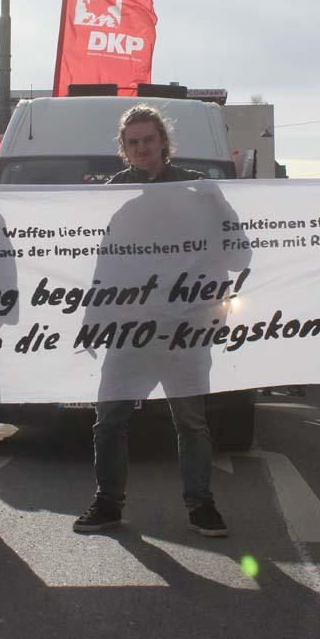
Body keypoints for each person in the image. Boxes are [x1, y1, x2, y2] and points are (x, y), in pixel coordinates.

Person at [72, 105, 238, 538]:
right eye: (133, 142)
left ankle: (201, 506)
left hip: (186, 328)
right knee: (108, 420)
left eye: (149, 139)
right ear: (124, 149)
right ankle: (108, 503)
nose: (142, 148)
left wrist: (220, 207)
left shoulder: (197, 191)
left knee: (192, 422)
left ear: (163, 141)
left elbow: (239, 256)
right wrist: (93, 318)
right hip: (129, 328)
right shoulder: (111, 196)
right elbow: (101, 263)